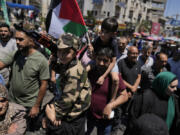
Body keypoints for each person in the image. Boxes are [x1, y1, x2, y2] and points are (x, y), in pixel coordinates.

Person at [0, 24, 50, 131]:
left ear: (31, 40)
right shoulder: (16, 54)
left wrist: (36, 106)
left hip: (29, 106)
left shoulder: (41, 60)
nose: (17, 42)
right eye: (16, 39)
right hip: (13, 103)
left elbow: (44, 85)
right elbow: (1, 64)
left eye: (21, 39)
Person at [44, 33, 91, 135]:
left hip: (73, 116)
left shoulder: (74, 72)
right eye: (59, 51)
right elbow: (60, 69)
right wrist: (53, 62)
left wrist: (56, 114)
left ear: (75, 53)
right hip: (69, 110)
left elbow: (68, 98)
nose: (61, 55)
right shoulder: (69, 62)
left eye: (66, 52)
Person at [86, 48, 128, 135]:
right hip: (88, 116)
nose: (101, 63)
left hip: (105, 119)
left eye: (105, 61)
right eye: (99, 59)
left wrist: (110, 105)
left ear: (110, 62)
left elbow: (124, 96)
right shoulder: (90, 72)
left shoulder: (114, 77)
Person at [88, 17, 119, 101]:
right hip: (97, 60)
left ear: (113, 34)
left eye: (106, 32)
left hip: (110, 63)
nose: (102, 34)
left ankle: (112, 100)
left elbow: (113, 62)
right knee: (84, 70)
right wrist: (91, 52)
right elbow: (93, 57)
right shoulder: (97, 40)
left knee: (116, 80)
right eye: (102, 30)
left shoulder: (114, 43)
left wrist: (103, 76)